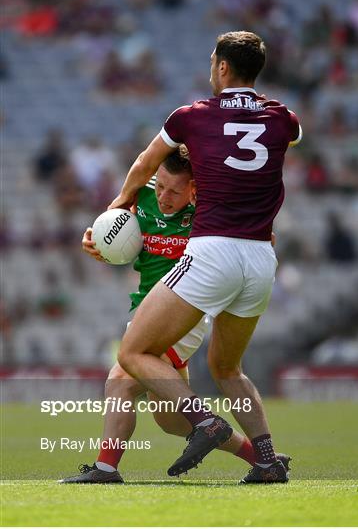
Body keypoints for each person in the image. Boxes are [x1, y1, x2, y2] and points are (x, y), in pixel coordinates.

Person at [107, 31, 302, 484]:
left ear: (221, 68)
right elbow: (284, 139)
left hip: (213, 250)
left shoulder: (191, 117)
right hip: (260, 257)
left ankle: (206, 422)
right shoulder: (283, 119)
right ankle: (268, 460)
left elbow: (144, 163)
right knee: (227, 367)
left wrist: (118, 206)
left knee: (134, 351)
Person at [61, 146, 290, 483]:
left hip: (183, 314)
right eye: (161, 186)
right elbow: (112, 230)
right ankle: (261, 457)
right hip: (145, 310)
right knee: (169, 419)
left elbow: (253, 239)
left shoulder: (209, 214)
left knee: (120, 382)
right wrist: (96, 242)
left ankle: (105, 468)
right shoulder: (141, 198)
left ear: (195, 188)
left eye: (175, 190)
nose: (165, 197)